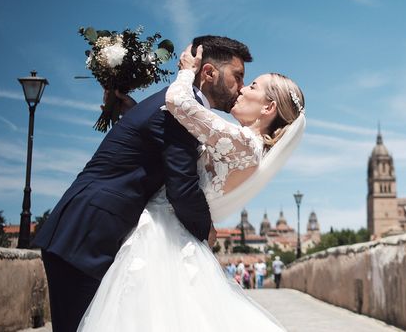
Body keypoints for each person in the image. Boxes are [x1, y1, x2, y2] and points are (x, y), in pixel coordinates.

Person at [76, 43, 305, 330]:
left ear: (269, 107)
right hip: (175, 233)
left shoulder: (244, 143)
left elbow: (179, 103)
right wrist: (134, 113)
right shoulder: (245, 145)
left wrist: (186, 72)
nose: (243, 89)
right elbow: (179, 150)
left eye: (253, 86)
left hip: (162, 234)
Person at [33, 35, 252, 332]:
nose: (240, 87)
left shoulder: (175, 104)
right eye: (237, 76)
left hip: (89, 230)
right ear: (209, 72)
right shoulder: (179, 110)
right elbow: (182, 187)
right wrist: (205, 234)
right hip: (86, 234)